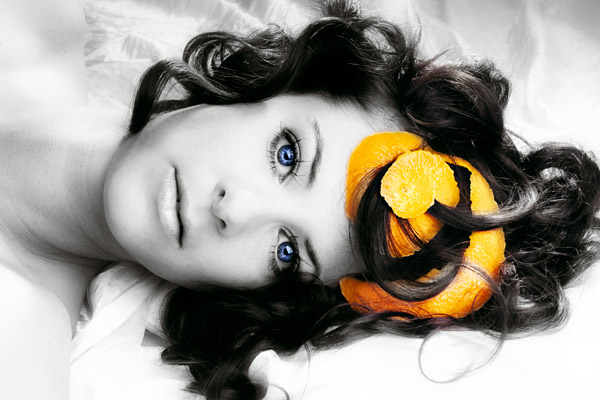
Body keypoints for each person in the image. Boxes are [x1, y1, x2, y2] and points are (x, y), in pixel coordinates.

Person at [0, 1, 598, 400]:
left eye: (287, 252)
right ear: (263, 84)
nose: (236, 211)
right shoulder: (33, 20)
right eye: (287, 155)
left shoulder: (17, 349)